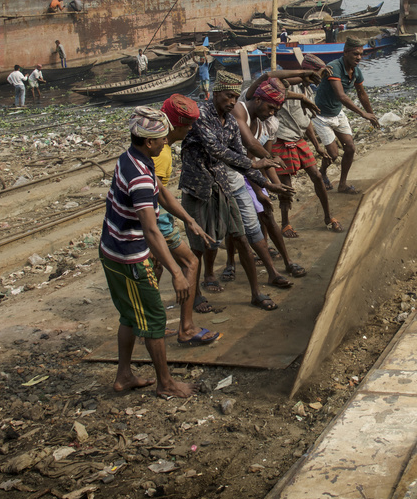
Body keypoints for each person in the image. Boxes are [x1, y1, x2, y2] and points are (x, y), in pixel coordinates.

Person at [99, 108, 195, 396]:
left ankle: (124, 375)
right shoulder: (139, 175)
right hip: (129, 257)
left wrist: (188, 219)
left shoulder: (132, 158)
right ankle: (166, 384)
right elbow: (152, 230)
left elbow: (162, 194)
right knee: (154, 320)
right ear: (149, 142)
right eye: (162, 138)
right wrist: (177, 273)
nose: (166, 141)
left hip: (113, 250)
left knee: (129, 315)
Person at [178, 71, 292, 313]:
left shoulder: (229, 121)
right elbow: (216, 150)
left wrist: (266, 183)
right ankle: (196, 294)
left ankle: (256, 293)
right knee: (199, 245)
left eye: (234, 97)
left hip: (222, 187)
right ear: (216, 93)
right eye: (228, 96)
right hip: (198, 188)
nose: (232, 101)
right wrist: (255, 164)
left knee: (241, 237)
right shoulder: (201, 116)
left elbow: (238, 158)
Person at [154, 95, 222, 334]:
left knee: (154, 269)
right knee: (190, 263)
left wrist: (186, 219)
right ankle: (187, 327)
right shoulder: (161, 153)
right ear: (176, 125)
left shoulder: (159, 147)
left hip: (154, 219)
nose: (191, 129)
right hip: (155, 219)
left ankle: (153, 326)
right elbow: (157, 195)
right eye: (188, 125)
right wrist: (186, 219)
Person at [229, 76, 306, 282]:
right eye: (270, 108)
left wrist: (277, 187)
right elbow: (253, 147)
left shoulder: (266, 124)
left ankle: (286, 262)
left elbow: (266, 160)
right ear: (258, 100)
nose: (271, 113)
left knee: (267, 214)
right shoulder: (239, 111)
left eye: (275, 111)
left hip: (249, 172)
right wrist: (262, 188)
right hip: (232, 173)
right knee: (237, 226)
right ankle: (233, 264)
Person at [271, 54, 341, 236]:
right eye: (318, 74)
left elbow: (306, 120)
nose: (321, 78)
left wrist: (317, 145)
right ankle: (285, 223)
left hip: (298, 139)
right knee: (286, 185)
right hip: (281, 139)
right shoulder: (288, 84)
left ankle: (327, 216)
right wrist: (304, 75)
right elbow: (274, 79)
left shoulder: (308, 90)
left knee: (317, 176)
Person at [313, 36, 380, 195]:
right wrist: (363, 114)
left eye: (361, 54)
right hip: (321, 116)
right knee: (334, 154)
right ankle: (322, 172)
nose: (358, 58)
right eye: (355, 54)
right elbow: (341, 96)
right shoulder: (333, 67)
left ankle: (342, 185)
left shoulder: (356, 71)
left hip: (337, 113)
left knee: (350, 148)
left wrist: (371, 114)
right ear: (345, 53)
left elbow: (362, 94)